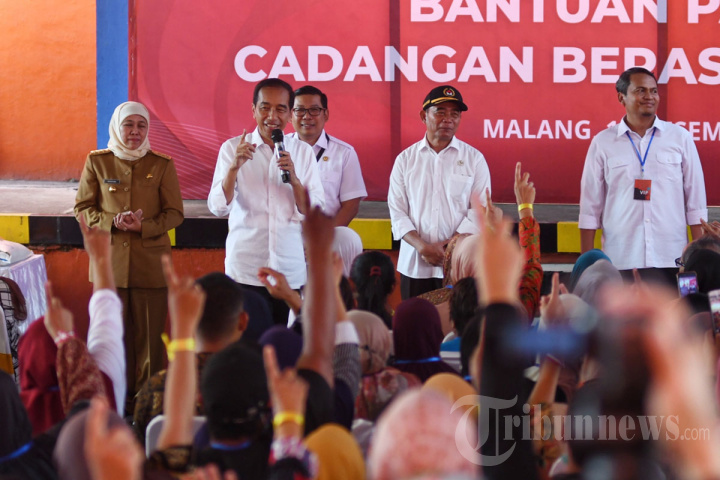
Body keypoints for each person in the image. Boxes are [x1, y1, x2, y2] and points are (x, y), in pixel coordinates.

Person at [74, 101, 184, 414]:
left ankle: (147, 409)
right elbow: (82, 208)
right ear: (117, 126)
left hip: (151, 267)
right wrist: (112, 221)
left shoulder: (161, 164)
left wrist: (143, 226)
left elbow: (175, 213)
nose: (135, 132)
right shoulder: (98, 162)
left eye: (141, 125)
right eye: (128, 125)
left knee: (150, 343)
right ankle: (113, 405)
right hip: (109, 266)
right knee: (110, 340)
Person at [207, 78, 324, 326]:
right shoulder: (232, 149)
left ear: (290, 114)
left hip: (288, 269)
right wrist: (234, 168)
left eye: (280, 109)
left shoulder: (302, 152)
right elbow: (217, 207)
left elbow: (314, 211)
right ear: (253, 110)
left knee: (285, 343)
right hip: (246, 268)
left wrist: (294, 180)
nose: (272, 116)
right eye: (265, 108)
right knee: (247, 342)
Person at [579, 67, 707, 282]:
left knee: (680, 306)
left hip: (674, 259)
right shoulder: (602, 142)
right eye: (640, 90)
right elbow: (589, 209)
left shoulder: (680, 138)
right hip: (620, 260)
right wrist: (586, 265)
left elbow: (696, 205)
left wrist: (697, 260)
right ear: (621, 97)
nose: (649, 96)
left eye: (654, 91)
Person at [388, 85, 491, 299]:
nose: (448, 119)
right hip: (415, 263)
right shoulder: (405, 160)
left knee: (457, 319)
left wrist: (449, 249)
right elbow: (397, 212)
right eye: (440, 112)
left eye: (455, 114)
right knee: (416, 320)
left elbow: (479, 212)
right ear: (423, 116)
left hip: (459, 265)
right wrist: (422, 247)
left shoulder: (474, 159)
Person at [288, 85, 367, 276]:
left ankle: (340, 292)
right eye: (300, 110)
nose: (307, 116)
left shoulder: (344, 153)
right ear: (290, 115)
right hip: (286, 236)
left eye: (314, 110)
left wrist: (321, 240)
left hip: (328, 235)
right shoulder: (278, 149)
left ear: (326, 114)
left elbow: (351, 205)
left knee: (349, 238)